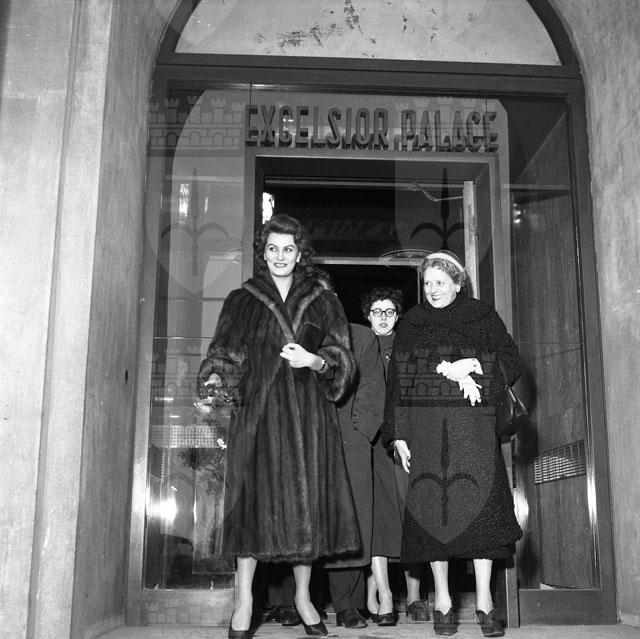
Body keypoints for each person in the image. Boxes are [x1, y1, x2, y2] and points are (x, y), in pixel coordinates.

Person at [197, 214, 359, 639]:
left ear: (300, 253)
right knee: (251, 511)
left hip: (308, 418)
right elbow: (224, 355)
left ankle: (304, 598)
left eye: (288, 249)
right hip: (259, 417)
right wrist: (215, 380)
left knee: (306, 511)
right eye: (273, 249)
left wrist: (316, 360)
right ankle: (244, 600)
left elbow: (343, 360)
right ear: (263, 253)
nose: (281, 256)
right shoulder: (242, 300)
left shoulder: (323, 299)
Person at [382, 250, 523, 638]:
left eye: (441, 282)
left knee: (482, 513)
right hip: (426, 431)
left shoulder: (481, 315)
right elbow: (399, 383)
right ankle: (442, 600)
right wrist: (398, 433)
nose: (433, 289)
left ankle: (485, 602)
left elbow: (511, 360)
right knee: (433, 513)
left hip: (472, 428)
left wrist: (474, 365)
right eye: (427, 283)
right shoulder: (412, 322)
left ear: (458, 284)